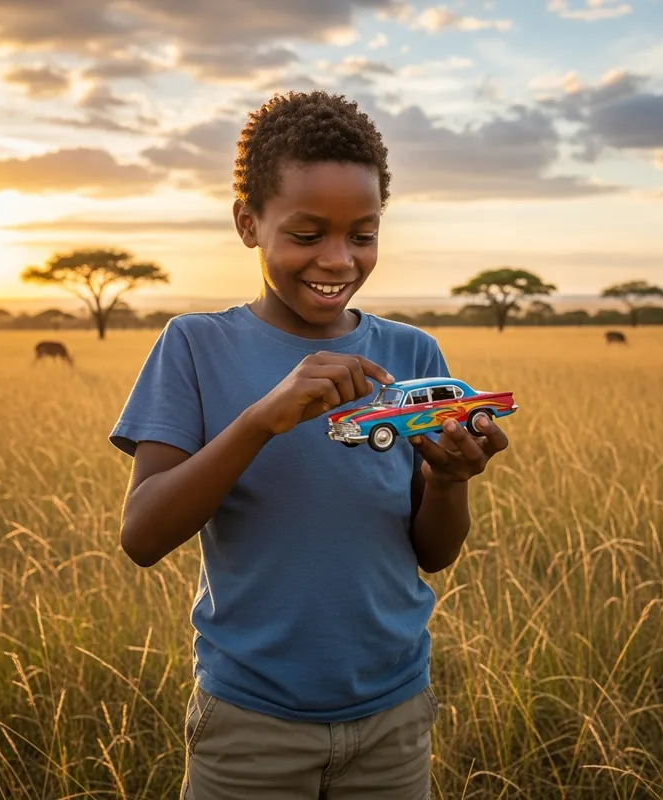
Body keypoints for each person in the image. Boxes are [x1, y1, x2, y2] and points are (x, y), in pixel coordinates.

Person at [109, 90, 509, 800]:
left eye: (362, 233)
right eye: (306, 234)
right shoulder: (196, 347)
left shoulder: (411, 351)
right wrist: (261, 418)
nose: (338, 259)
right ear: (247, 223)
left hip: (393, 715)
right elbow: (142, 535)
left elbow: (434, 553)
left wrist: (450, 482)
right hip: (249, 727)